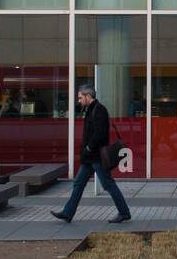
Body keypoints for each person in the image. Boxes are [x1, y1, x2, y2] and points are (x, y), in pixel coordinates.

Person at [51, 84, 132, 225]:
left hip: (96, 157)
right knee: (78, 183)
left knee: (108, 185)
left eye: (80, 97)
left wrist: (88, 148)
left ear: (88, 96)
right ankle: (68, 213)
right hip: (89, 158)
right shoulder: (90, 109)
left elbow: (99, 134)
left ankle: (124, 213)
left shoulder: (100, 110)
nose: (79, 100)